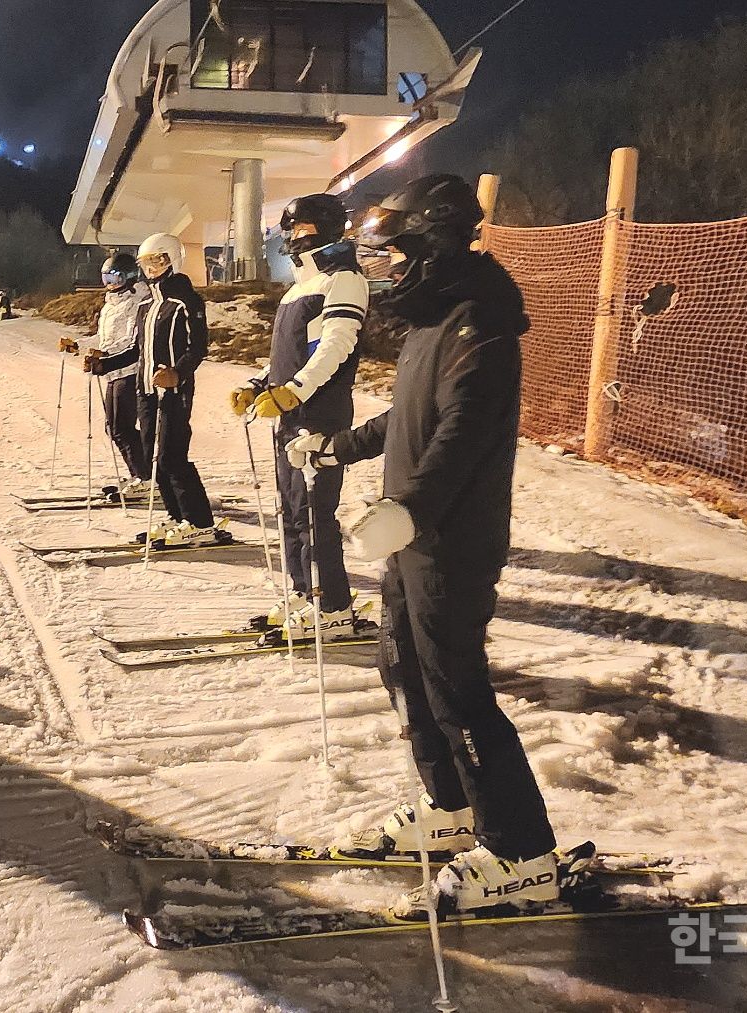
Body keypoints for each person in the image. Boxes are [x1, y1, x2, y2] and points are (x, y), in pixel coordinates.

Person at [288, 174, 560, 914]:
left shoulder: (481, 325)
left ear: (433, 246)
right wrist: (337, 445)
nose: (387, 270)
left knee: (457, 689)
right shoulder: (433, 323)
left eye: (396, 254)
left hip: (450, 539)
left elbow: (462, 432)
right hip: (413, 535)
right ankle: (451, 806)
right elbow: (405, 418)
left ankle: (523, 850)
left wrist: (410, 508)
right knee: (401, 664)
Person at [231, 193, 369, 639]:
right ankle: (302, 590)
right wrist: (259, 384)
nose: (292, 238)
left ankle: (332, 606)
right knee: (291, 509)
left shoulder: (343, 281)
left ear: (328, 229)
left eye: (302, 229)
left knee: (314, 512)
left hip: (319, 415)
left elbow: (336, 346)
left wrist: (294, 392)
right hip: (290, 415)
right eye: (289, 230)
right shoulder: (299, 287)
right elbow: (292, 356)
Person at [85, 233, 226, 547]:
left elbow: (198, 347)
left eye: (158, 260)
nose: (152, 268)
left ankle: (200, 521)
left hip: (173, 391)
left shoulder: (184, 300)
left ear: (172, 260)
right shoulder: (146, 303)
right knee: (152, 457)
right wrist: (103, 364)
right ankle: (177, 517)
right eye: (146, 262)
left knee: (173, 456)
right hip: (145, 390)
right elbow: (138, 350)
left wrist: (177, 373)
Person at [95, 251, 151, 498]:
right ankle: (139, 474)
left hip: (129, 371)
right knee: (113, 428)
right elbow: (107, 341)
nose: (110, 284)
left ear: (129, 277)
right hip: (113, 371)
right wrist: (80, 347)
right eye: (106, 278)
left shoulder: (138, 302)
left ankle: (146, 477)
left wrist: (106, 362)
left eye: (115, 278)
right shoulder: (110, 305)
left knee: (122, 427)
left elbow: (133, 343)